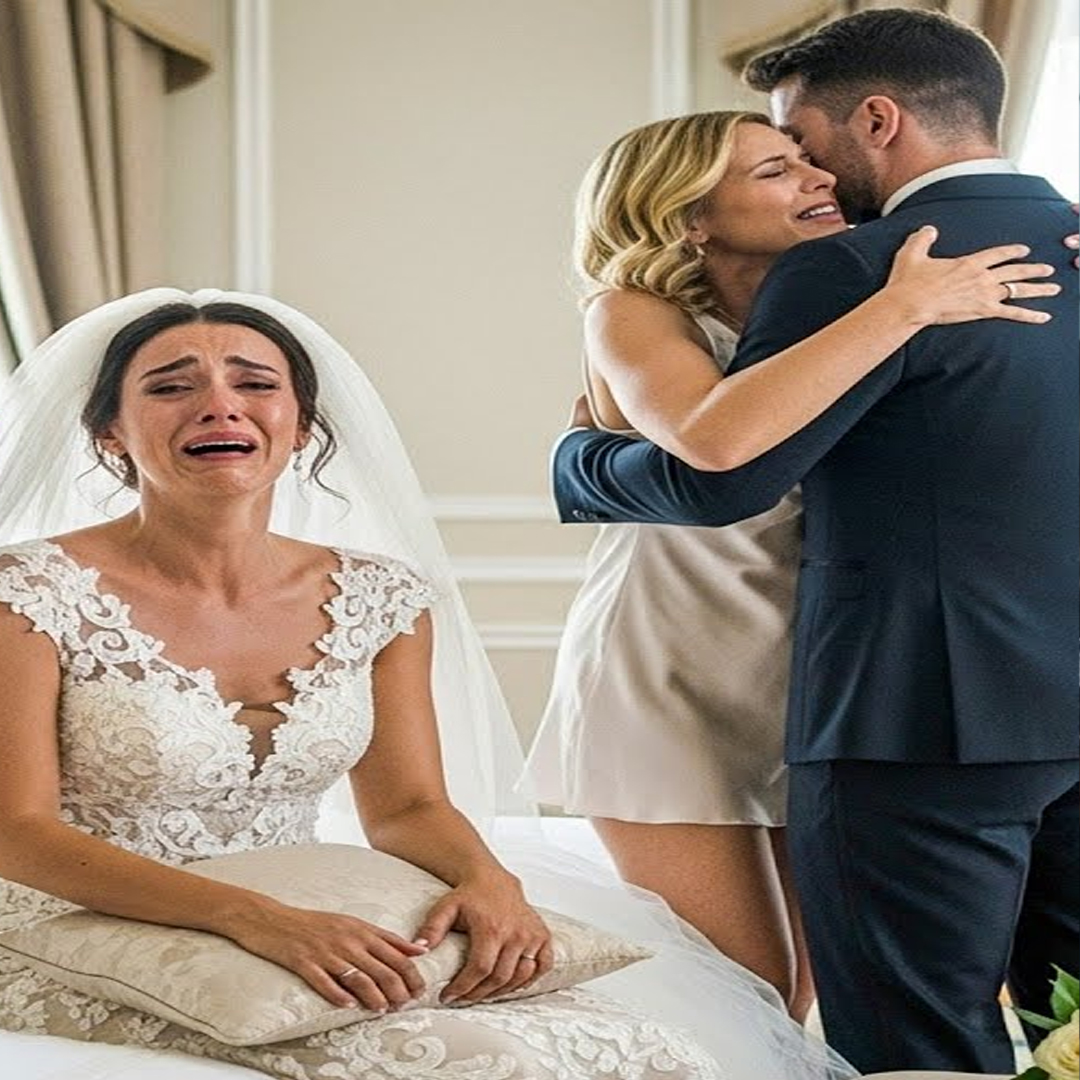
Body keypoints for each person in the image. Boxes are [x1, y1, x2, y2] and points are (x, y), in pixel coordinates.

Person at [0, 289, 857, 1080]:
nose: (220, 405)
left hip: (308, 914)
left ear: (301, 428)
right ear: (109, 432)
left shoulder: (378, 595)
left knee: (652, 1053)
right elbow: (18, 833)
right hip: (70, 924)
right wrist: (251, 917)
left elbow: (408, 807)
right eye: (170, 388)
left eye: (255, 383)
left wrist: (492, 883)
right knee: (476, 1063)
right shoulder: (28, 593)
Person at [551, 9, 1078, 1075]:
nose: (814, 176)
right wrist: (577, 469)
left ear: (876, 121)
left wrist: (579, 468)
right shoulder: (654, 308)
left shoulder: (854, 272)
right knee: (754, 993)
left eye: (801, 147)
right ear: (689, 219)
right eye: (776, 165)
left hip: (829, 668)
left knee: (865, 1000)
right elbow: (715, 455)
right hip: (685, 661)